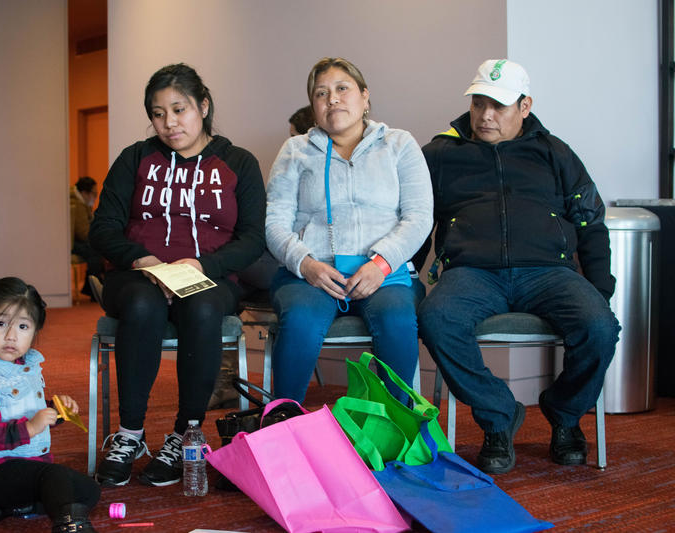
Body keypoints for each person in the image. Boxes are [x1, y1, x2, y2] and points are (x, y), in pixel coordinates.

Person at [416, 59, 621, 474]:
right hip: (472, 272)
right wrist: (405, 277)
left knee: (599, 327)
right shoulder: (439, 154)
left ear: (525, 106)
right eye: (478, 104)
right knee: (436, 320)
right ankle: (499, 415)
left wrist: (598, 290)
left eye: (499, 106)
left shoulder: (554, 153)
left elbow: (590, 221)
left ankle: (564, 416)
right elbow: (417, 222)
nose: (485, 116)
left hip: (548, 272)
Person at [89, 63, 266, 487]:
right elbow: (103, 228)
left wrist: (205, 265)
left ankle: (186, 433)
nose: (169, 123)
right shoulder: (135, 158)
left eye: (179, 109)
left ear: (203, 106)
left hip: (208, 276)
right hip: (139, 275)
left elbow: (253, 238)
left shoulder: (238, 162)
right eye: (157, 113)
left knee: (203, 307)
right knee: (141, 302)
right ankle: (130, 433)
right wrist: (141, 260)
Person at [266, 57, 433, 403]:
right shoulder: (295, 151)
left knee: (397, 319)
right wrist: (306, 264)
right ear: (313, 106)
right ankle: (283, 423)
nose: (333, 99)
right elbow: (274, 223)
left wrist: (381, 264)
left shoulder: (399, 144)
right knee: (298, 321)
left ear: (365, 97)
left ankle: (397, 430)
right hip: (312, 274)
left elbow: (419, 217)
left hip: (385, 274)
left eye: (342, 89)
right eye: (321, 93)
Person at [0, 277, 100, 532]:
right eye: (0, 324)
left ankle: (12, 507)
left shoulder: (26, 366)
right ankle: (69, 525)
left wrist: (55, 410)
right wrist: (32, 427)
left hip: (31, 463)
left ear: (34, 333)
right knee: (54, 479)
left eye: (23, 327)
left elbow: (24, 409)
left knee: (89, 491)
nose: (11, 336)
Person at [70, 176, 104, 299]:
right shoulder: (77, 205)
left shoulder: (81, 202)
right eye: (94, 194)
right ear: (84, 193)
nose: (95, 197)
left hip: (76, 241)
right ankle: (92, 287)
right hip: (73, 243)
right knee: (96, 251)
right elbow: (83, 233)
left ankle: (90, 286)